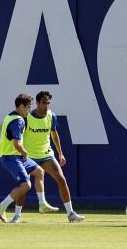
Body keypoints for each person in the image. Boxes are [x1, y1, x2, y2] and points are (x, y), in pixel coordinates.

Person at [13, 91, 84, 223]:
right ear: (38, 103)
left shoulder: (51, 116)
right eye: (44, 103)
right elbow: (18, 137)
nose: (47, 106)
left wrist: (60, 153)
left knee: (61, 179)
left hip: (46, 155)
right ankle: (17, 216)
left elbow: (54, 134)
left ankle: (71, 213)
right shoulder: (27, 118)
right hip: (29, 157)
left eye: (48, 103)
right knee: (23, 185)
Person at [0, 94, 51, 223]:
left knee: (39, 172)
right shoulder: (19, 120)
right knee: (26, 185)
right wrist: (25, 152)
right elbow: (17, 144)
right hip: (11, 157)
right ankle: (1, 206)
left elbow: (1, 127)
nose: (29, 110)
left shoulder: (9, 116)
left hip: (14, 155)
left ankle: (42, 204)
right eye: (28, 107)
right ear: (21, 106)